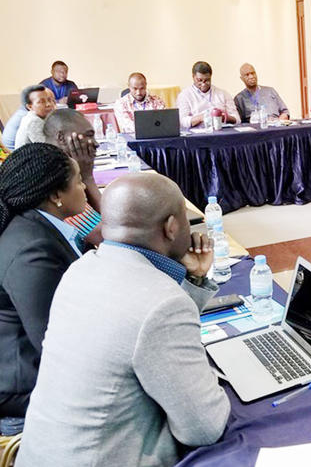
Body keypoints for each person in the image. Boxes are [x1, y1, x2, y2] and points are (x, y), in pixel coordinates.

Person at [17, 173, 230, 467]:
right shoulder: (162, 303)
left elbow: (142, 331)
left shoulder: (81, 269)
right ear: (171, 227)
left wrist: (193, 278)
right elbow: (204, 428)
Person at [0, 143, 87, 419]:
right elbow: (54, 341)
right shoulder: (31, 250)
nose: (84, 188)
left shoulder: (40, 224)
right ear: (56, 195)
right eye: (79, 181)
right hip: (25, 386)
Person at [43, 109, 103, 243]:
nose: (95, 143)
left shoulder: (52, 162)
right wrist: (87, 178)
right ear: (61, 138)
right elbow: (106, 234)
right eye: (88, 135)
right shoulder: (55, 175)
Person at [176, 61, 240, 128]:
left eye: (207, 80)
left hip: (221, 130)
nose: (203, 84)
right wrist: (202, 117)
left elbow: (237, 119)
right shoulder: (185, 95)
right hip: (197, 133)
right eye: (199, 80)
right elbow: (181, 122)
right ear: (193, 77)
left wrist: (224, 117)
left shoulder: (222, 94)